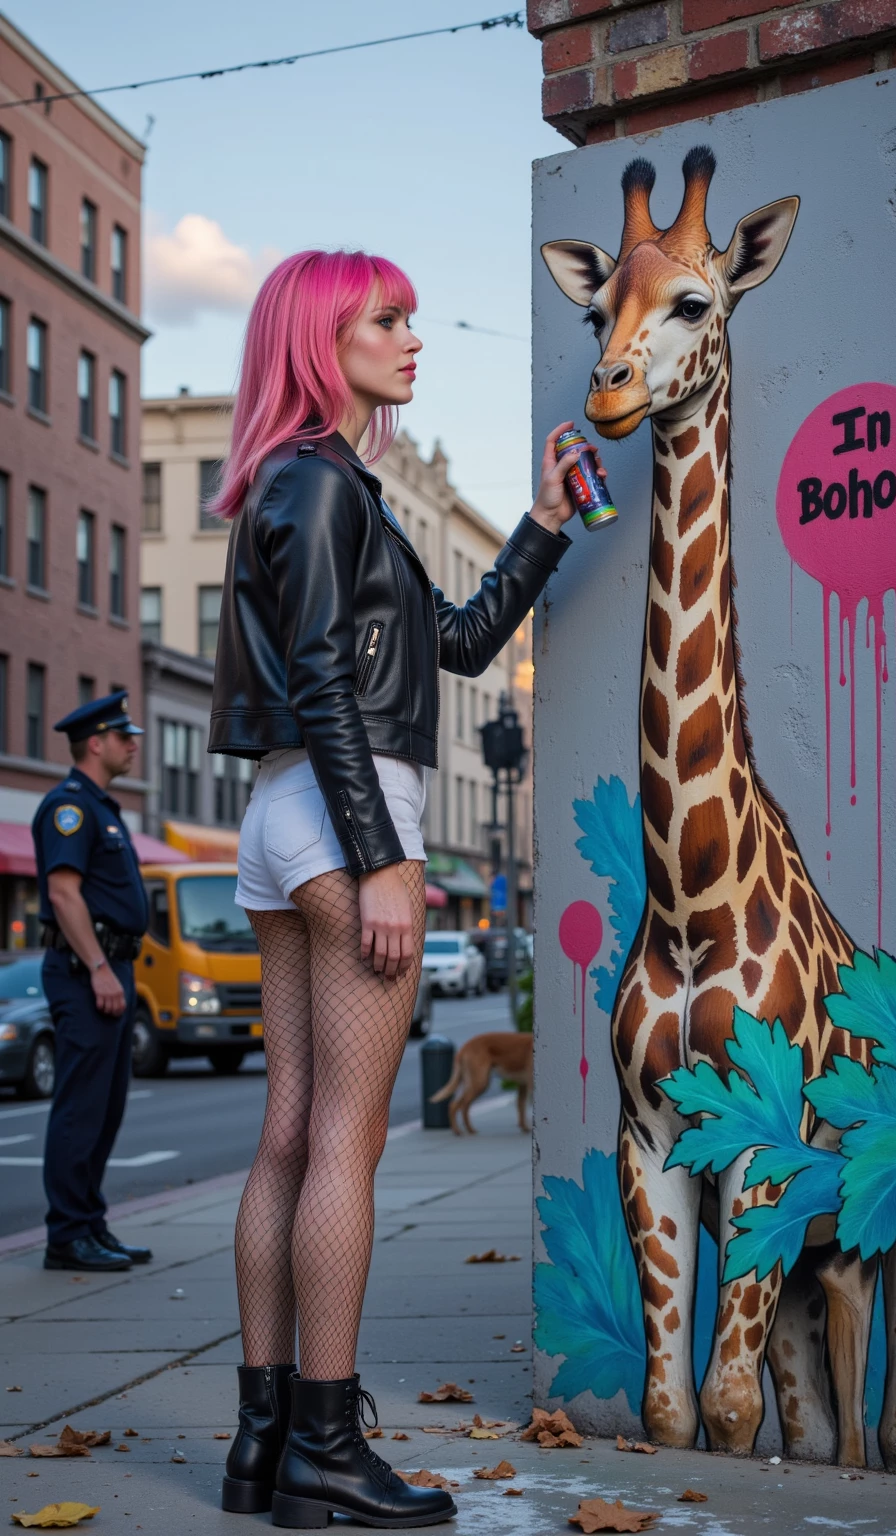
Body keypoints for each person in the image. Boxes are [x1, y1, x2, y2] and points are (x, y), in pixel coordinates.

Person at [209, 249, 597, 1529]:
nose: (413, 338)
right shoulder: (318, 487)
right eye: (388, 319)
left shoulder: (320, 489)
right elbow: (323, 679)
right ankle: (324, 1441)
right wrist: (383, 857)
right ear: (324, 339)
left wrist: (543, 521)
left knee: (289, 1133)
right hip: (342, 811)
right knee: (345, 1144)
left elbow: (463, 641)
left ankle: (264, 1446)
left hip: (283, 817)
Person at [32, 691, 152, 1274]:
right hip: (86, 973)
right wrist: (101, 968)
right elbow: (62, 893)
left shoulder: (104, 807)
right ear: (96, 742)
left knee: (106, 1108)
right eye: (123, 735)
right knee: (81, 1107)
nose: (133, 744)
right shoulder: (69, 808)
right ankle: (66, 1235)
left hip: (109, 970)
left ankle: (90, 1223)